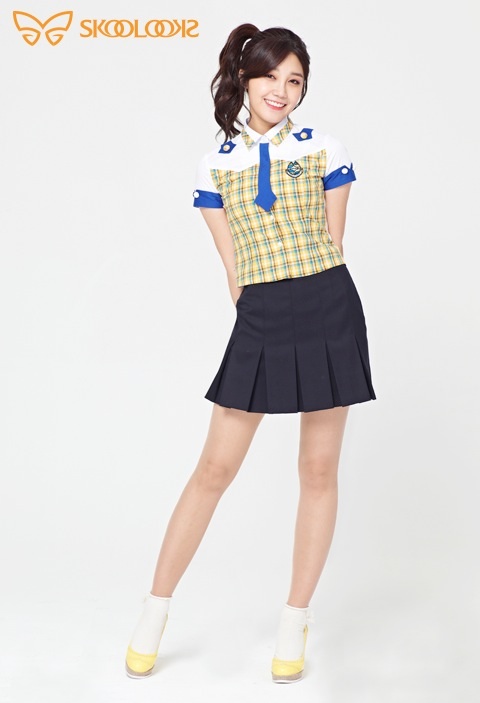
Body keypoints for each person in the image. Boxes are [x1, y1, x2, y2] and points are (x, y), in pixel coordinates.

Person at [125, 22, 376, 684]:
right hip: (261, 312)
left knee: (317, 469)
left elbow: (333, 242)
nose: (281, 90)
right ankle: (155, 608)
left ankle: (295, 619)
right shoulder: (215, 164)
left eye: (295, 80)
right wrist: (259, 313)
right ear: (245, 78)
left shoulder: (325, 147)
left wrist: (311, 297)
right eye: (270, 76)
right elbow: (231, 268)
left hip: (327, 306)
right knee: (214, 467)